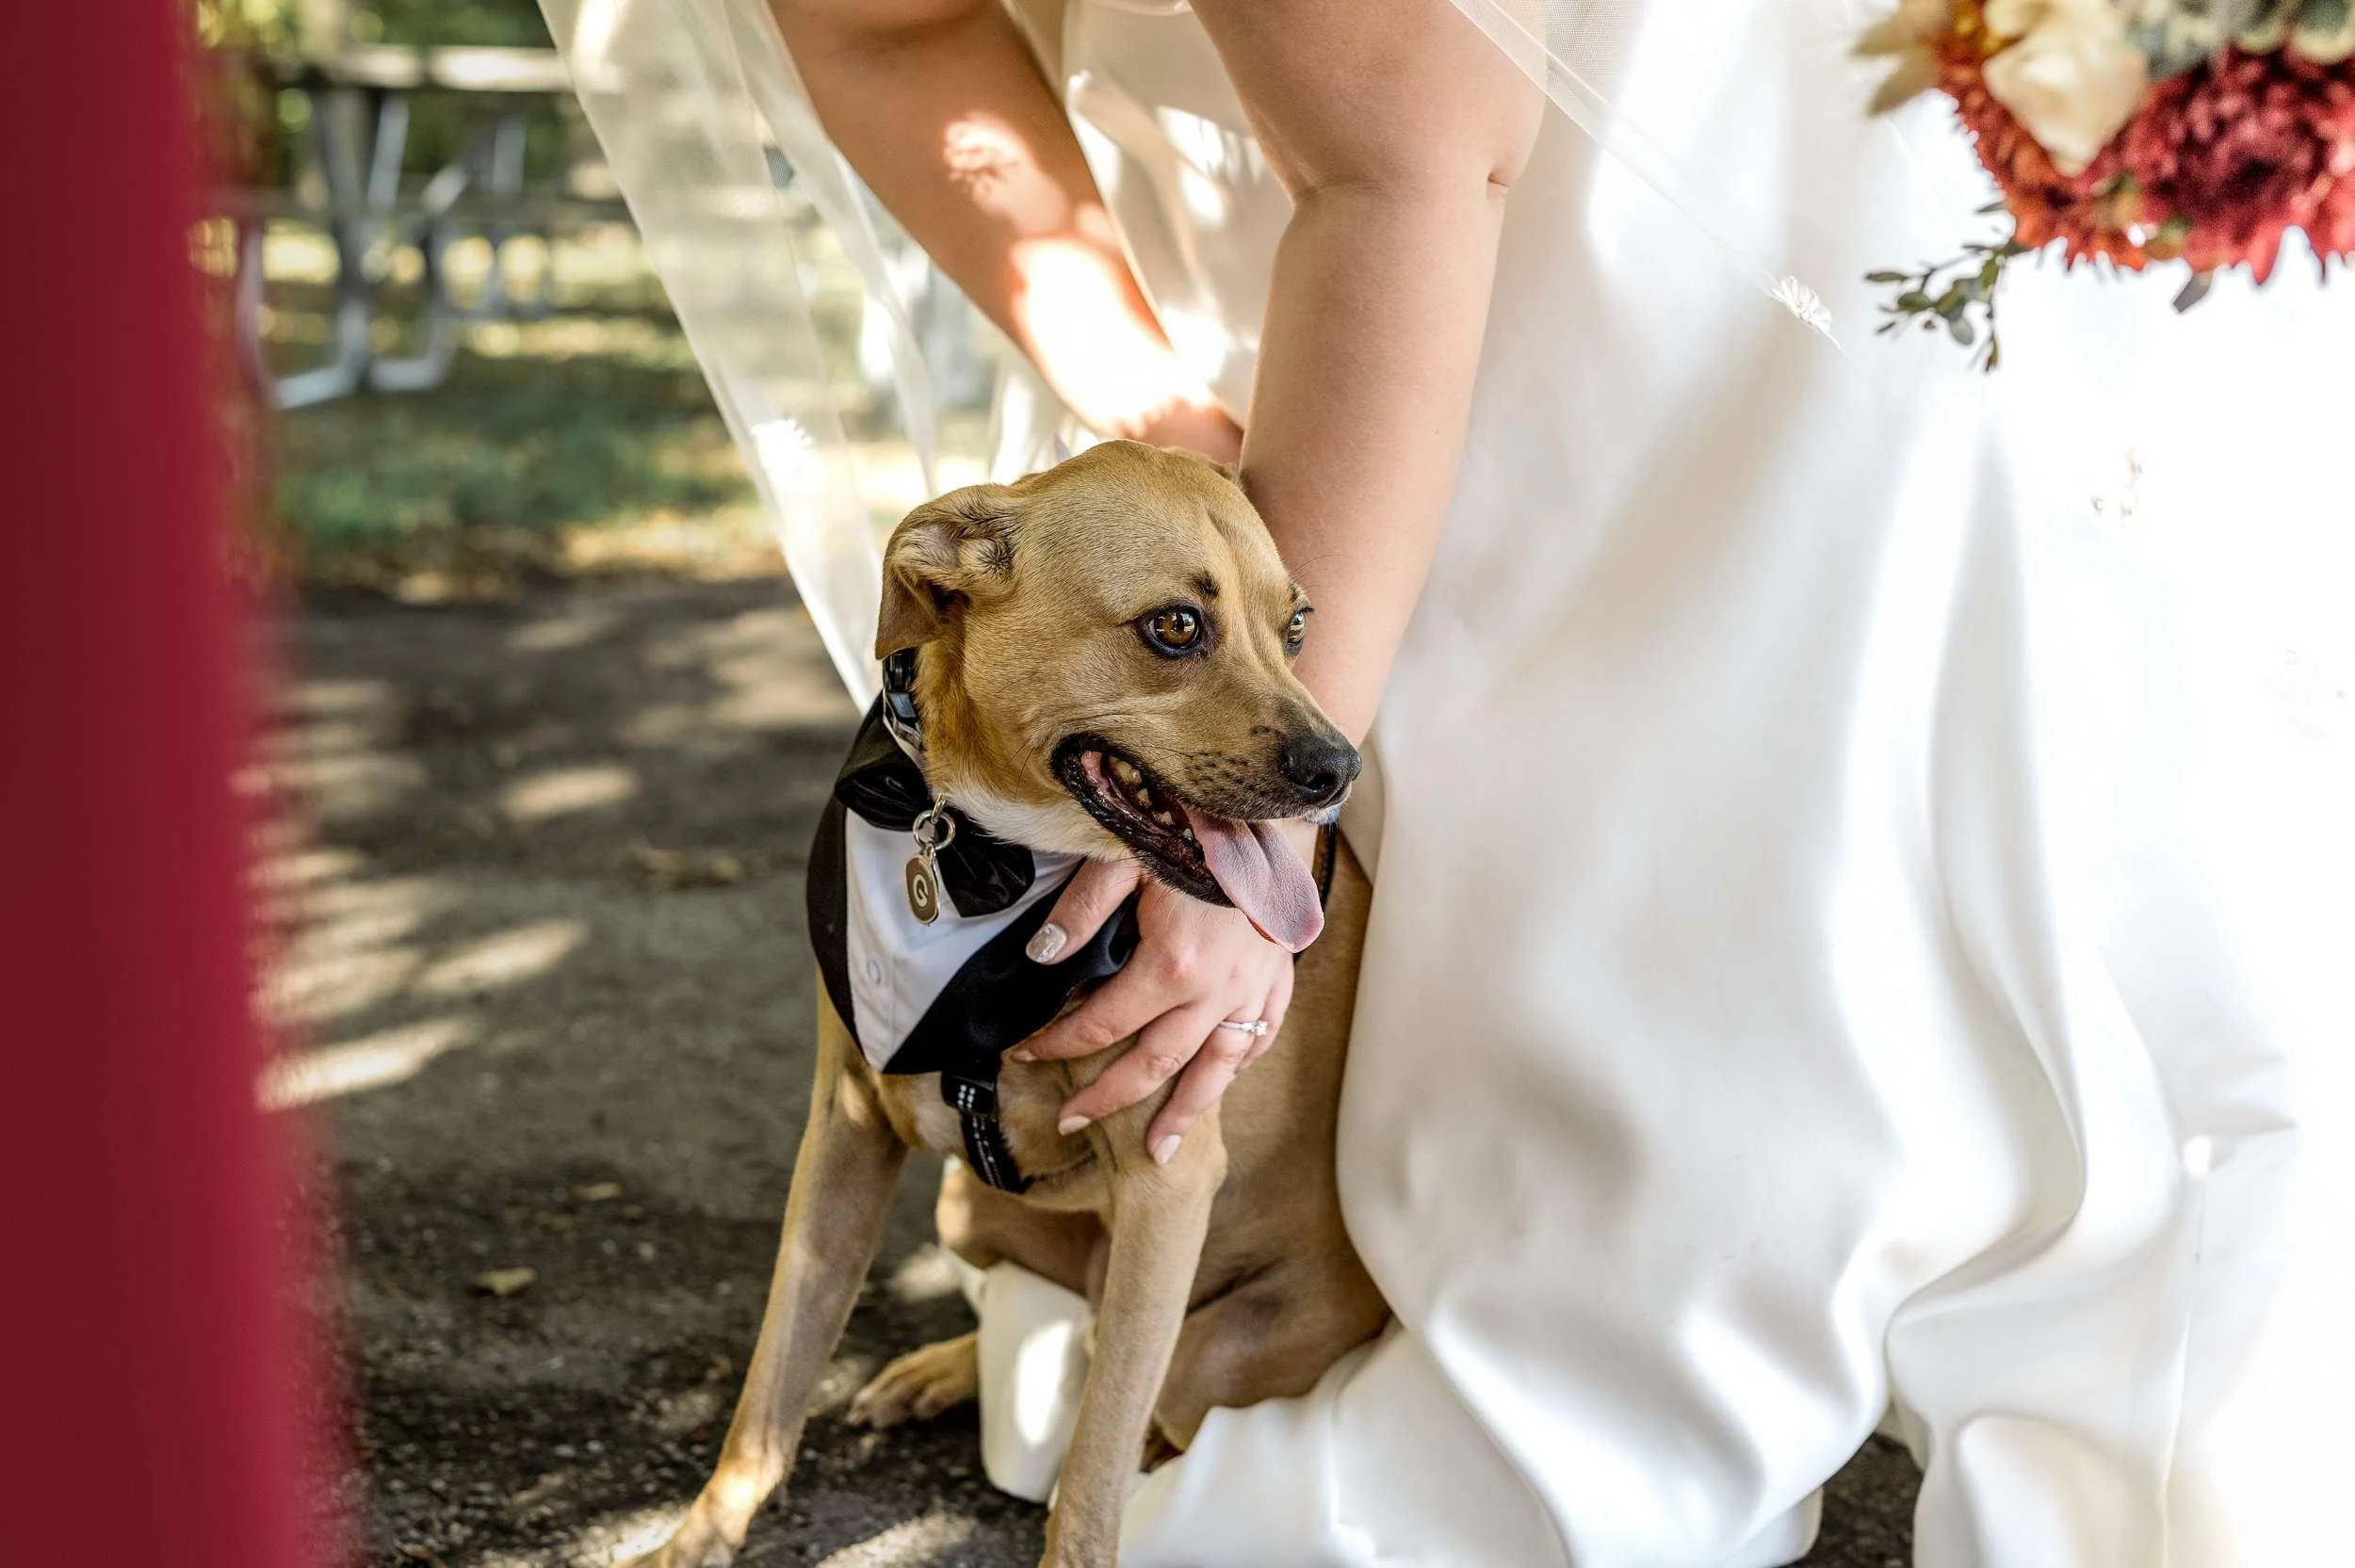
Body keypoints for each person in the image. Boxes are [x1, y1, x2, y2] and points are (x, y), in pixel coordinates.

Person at [545, 0, 2355, 1561]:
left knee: (1720, 802)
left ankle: (1628, 1351)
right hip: (1317, 170)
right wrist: (1159, 411)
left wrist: (1250, 835)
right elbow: (889, 31)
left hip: (1655, 221)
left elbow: (1402, 155)